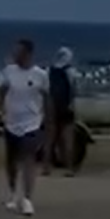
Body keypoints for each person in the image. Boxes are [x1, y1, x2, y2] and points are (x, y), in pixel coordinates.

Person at [0, 39, 53, 217]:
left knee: (28, 157)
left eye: (18, 52)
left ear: (28, 53)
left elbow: (47, 99)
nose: (15, 55)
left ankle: (27, 198)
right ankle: (13, 192)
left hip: (32, 123)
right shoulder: (9, 71)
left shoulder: (40, 75)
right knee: (11, 160)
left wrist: (48, 122)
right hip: (11, 122)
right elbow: (1, 94)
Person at [48, 47, 79, 176]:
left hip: (53, 107)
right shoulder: (71, 71)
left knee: (51, 139)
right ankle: (70, 168)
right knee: (67, 140)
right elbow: (74, 90)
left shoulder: (50, 71)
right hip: (66, 108)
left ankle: (46, 167)